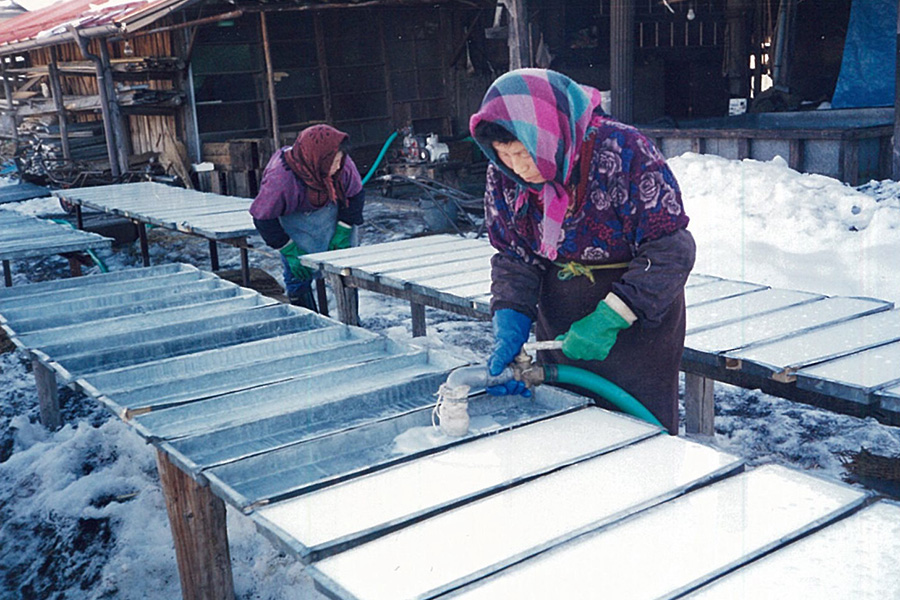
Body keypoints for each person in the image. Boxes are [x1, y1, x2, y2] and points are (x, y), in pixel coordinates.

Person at [469, 68, 695, 434]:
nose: (519, 167)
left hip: (637, 323)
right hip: (562, 324)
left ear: (546, 131)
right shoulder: (504, 175)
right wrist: (509, 318)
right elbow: (514, 254)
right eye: (504, 154)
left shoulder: (623, 152)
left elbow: (671, 249)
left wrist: (612, 317)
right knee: (569, 424)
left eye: (524, 150)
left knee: (638, 435)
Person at [250, 124, 365, 310]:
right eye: (333, 162)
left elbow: (355, 195)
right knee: (299, 274)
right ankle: (308, 323)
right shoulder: (280, 179)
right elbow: (263, 218)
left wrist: (343, 230)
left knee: (345, 270)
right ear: (319, 160)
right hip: (295, 218)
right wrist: (289, 249)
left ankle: (351, 321)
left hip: (331, 209)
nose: (338, 167)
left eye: (340, 160)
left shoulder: (343, 165)